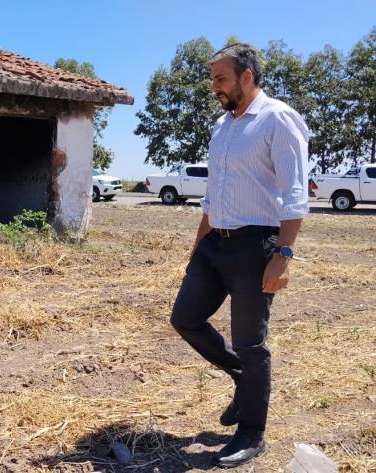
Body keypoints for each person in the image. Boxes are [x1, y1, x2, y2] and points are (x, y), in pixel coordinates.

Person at [169, 43, 309, 468]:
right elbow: (213, 194)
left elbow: (295, 194)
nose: (214, 87)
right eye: (213, 79)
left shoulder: (277, 119)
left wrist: (283, 255)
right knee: (185, 318)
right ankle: (243, 378)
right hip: (215, 243)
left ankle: (252, 433)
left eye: (221, 79)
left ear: (247, 76)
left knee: (251, 342)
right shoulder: (223, 126)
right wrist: (199, 245)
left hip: (256, 245)